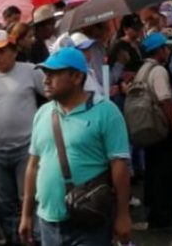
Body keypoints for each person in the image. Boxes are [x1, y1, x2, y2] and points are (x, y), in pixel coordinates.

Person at [19, 48, 133, 245]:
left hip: (89, 220)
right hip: (48, 221)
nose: (46, 80)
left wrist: (123, 215)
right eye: (45, 74)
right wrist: (26, 215)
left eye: (53, 74)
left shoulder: (106, 112)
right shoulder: (43, 113)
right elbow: (33, 166)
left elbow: (120, 166)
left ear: (77, 77)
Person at [0, 29, 47, 244]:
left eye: (1, 51)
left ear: (14, 51)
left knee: (28, 198)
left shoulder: (30, 71)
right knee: (3, 203)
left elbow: (51, 93)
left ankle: (32, 238)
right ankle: (15, 240)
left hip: (27, 149)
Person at [136, 33, 172, 230]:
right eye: (165, 48)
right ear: (159, 50)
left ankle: (153, 214)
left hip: (148, 128)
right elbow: (166, 100)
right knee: (165, 174)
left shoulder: (142, 70)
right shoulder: (159, 71)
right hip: (161, 128)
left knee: (153, 172)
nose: (167, 51)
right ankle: (163, 219)